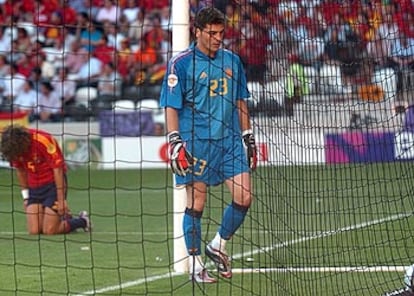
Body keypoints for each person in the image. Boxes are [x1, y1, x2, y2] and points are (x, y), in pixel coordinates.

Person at [159, 7, 257, 283]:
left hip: (228, 141)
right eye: (211, 33)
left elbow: (240, 100)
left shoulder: (232, 60)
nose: (217, 38)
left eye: (221, 33)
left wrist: (247, 135)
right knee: (196, 203)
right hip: (195, 143)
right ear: (197, 31)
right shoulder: (181, 63)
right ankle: (194, 263)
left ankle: (218, 245)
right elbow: (170, 106)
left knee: (244, 196)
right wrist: (175, 140)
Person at [0, 125, 91, 235]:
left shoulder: (43, 140)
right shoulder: (13, 148)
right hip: (34, 187)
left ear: (22, 143)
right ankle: (65, 217)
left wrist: (61, 200)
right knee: (34, 231)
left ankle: (82, 221)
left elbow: (58, 170)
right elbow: (20, 171)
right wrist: (26, 197)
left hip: (52, 185)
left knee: (49, 230)